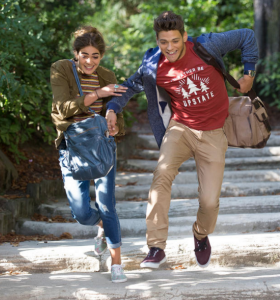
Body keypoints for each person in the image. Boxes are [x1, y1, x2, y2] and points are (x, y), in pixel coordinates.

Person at [105, 11, 258, 268]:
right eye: (163, 42)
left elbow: (247, 36)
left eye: (175, 40)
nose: (170, 47)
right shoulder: (154, 65)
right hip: (181, 128)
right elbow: (129, 86)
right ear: (157, 40)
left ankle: (200, 234)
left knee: (209, 202)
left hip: (212, 132)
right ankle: (155, 247)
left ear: (184, 36)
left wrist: (249, 74)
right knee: (161, 174)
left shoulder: (206, 46)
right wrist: (112, 107)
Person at [50, 26, 128, 282]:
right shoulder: (61, 69)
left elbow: (116, 112)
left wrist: (114, 120)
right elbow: (62, 109)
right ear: (75, 53)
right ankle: (102, 227)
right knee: (82, 212)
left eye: (95, 56)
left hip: (102, 144)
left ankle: (116, 263)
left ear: (101, 56)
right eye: (85, 54)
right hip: (72, 146)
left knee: (107, 204)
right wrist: (97, 94)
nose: (90, 61)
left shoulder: (107, 74)